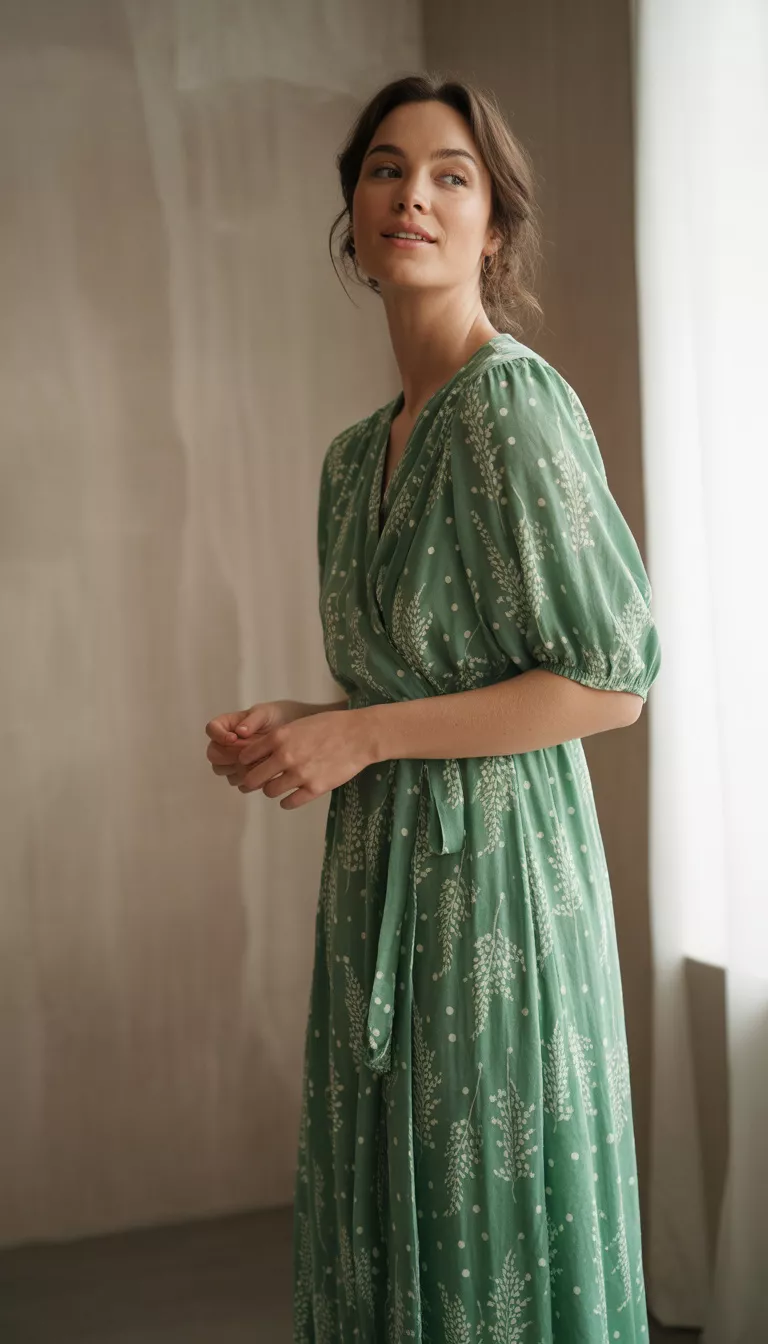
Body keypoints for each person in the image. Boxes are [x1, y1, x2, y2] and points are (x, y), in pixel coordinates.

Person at [205, 73, 661, 1344]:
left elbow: (614, 680)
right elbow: (417, 685)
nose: (413, 195)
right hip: (378, 890)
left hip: (499, 897)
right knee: (382, 1226)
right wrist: (309, 722)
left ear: (493, 226)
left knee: (485, 1233)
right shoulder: (354, 458)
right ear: (353, 215)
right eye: (385, 169)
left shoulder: (511, 406)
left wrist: (363, 732)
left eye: (451, 175)